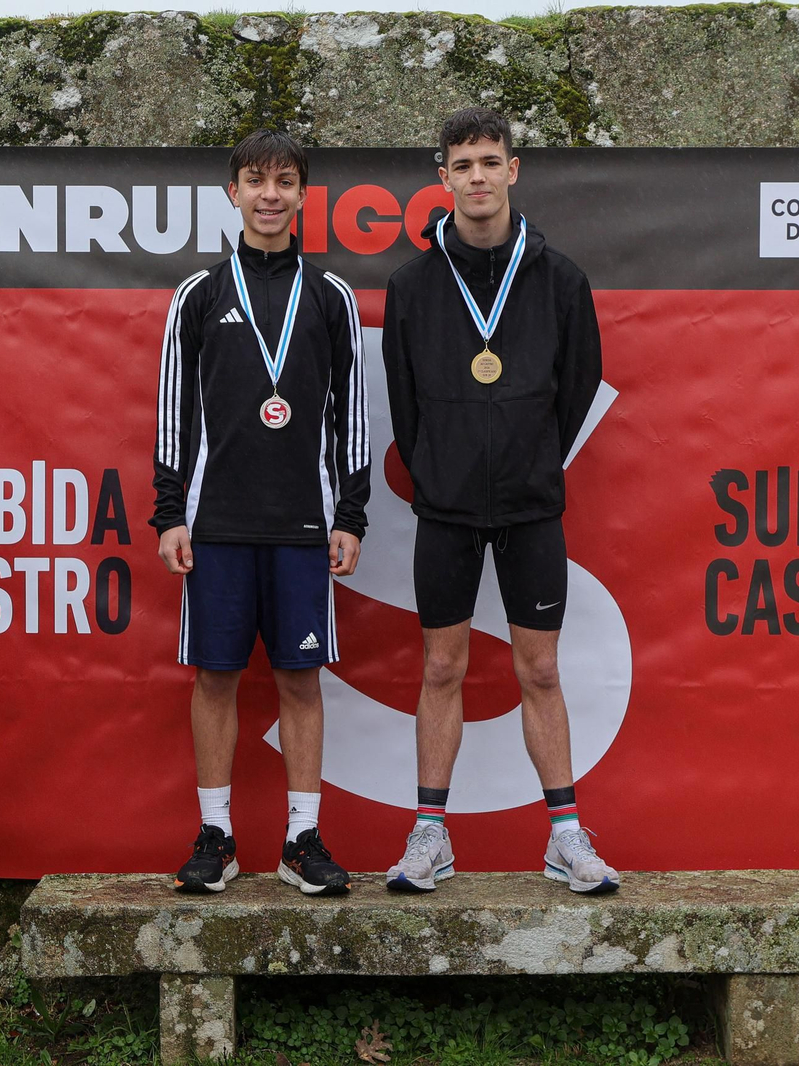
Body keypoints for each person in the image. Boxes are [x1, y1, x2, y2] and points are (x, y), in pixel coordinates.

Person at [380, 108, 616, 894]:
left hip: (529, 506)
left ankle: (566, 837)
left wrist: (528, 458)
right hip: (445, 509)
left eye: (490, 161)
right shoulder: (413, 285)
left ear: (513, 170)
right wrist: (444, 469)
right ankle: (429, 837)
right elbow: (404, 408)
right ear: (441, 179)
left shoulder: (562, 279)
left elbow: (576, 391)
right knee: (441, 665)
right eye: (462, 164)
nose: (476, 176)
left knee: (540, 669)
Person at [152, 129, 369, 896]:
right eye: (255, 180)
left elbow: (353, 412)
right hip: (215, 527)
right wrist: (169, 514)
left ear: (304, 195)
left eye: (284, 181)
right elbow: (174, 409)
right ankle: (216, 835)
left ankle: (301, 839)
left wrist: (352, 512)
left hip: (305, 527)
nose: (270, 194)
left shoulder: (331, 295)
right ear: (233, 192)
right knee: (214, 677)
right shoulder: (200, 294)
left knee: (301, 680)